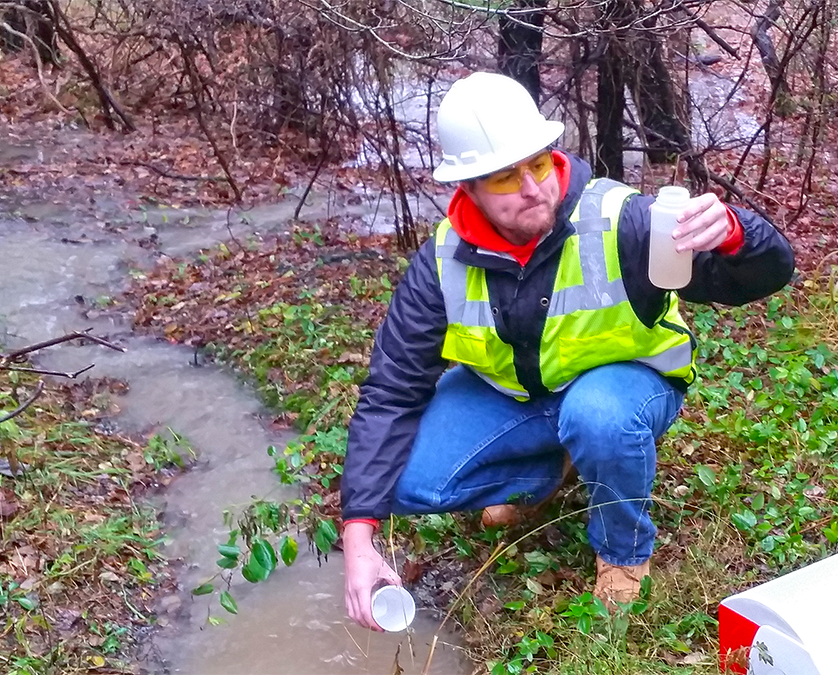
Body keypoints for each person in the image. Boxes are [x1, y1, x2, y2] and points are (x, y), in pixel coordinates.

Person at [340, 71, 795, 630]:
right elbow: (391, 391)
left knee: (598, 417)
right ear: (469, 188)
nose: (533, 187)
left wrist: (735, 231)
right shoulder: (440, 264)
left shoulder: (623, 220)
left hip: (627, 384)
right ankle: (549, 471)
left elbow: (761, 276)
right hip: (518, 396)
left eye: (537, 163)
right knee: (407, 480)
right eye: (506, 176)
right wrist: (358, 536)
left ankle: (623, 554)